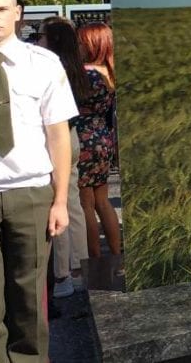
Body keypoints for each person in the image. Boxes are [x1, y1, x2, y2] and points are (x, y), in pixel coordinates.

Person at [0, 0, 75, 361]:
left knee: (30, 302)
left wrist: (60, 201)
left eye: (1, 9)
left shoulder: (43, 64)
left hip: (30, 194)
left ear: (18, 14)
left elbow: (58, 137)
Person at [35, 17, 93, 297]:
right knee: (72, 202)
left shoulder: (48, 67)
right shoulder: (75, 67)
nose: (37, 40)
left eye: (41, 35)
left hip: (53, 139)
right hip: (71, 136)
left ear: (52, 39)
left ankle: (62, 274)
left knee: (55, 204)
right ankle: (80, 264)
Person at [75, 23, 122, 257]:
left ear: (92, 44)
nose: (78, 47)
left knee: (86, 204)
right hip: (103, 136)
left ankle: (94, 258)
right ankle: (116, 253)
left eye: (82, 42)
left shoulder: (83, 73)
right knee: (103, 201)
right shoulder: (110, 71)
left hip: (82, 138)